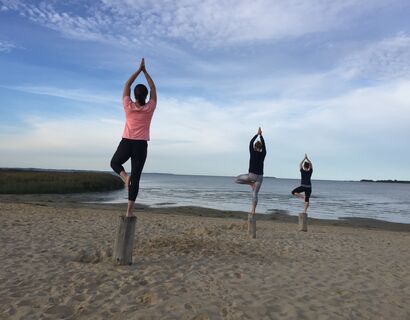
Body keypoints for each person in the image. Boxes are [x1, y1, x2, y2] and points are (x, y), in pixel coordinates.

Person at [110, 58, 157, 217]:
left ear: (135, 96)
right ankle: (129, 211)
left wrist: (138, 70)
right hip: (141, 145)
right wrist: (145, 71)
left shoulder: (128, 105)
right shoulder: (150, 108)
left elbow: (127, 85)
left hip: (127, 142)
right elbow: (152, 87)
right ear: (145, 96)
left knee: (115, 163)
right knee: (136, 178)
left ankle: (124, 177)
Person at [235, 127, 266, 215]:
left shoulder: (252, 152)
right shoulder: (263, 154)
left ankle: (250, 184)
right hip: (260, 177)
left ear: (255, 147)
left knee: (236, 179)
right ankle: (253, 210)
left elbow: (251, 142)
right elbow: (264, 145)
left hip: (251, 175)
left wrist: (257, 134)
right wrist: (261, 136)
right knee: (255, 194)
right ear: (261, 148)